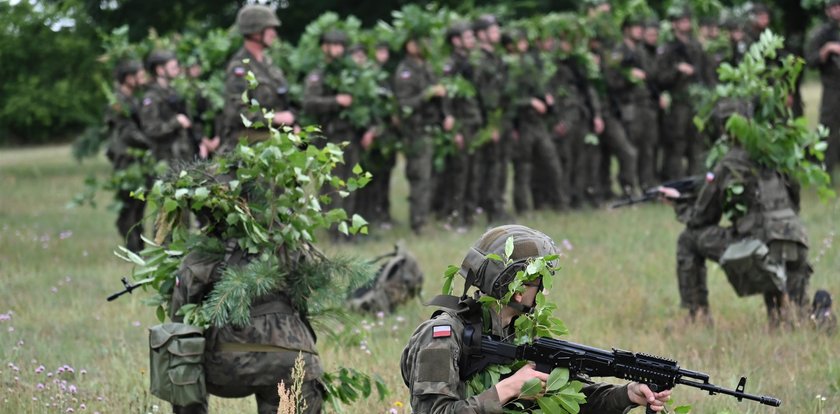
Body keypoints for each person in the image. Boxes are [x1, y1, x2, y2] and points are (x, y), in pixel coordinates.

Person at [401, 225, 671, 413]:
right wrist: (507, 389)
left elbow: (572, 400)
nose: (545, 289)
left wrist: (627, 394)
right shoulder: (442, 335)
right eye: (539, 281)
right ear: (516, 289)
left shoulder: (518, 332)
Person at [168, 176, 323, 414]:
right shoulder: (289, 243)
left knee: (177, 354)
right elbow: (314, 283)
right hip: (288, 357)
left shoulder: (204, 250)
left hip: (226, 363)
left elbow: (179, 318)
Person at [661, 142, 813, 329]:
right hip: (795, 242)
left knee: (688, 240)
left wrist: (680, 202)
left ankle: (698, 316)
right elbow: (795, 200)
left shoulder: (730, 162)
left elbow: (701, 217)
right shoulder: (781, 153)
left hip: (760, 250)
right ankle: (813, 315)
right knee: (796, 321)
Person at [393, 27, 447, 234]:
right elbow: (405, 104)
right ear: (410, 45)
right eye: (421, 42)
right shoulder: (405, 71)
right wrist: (428, 93)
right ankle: (419, 223)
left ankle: (425, 217)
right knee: (420, 177)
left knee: (431, 177)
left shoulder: (427, 67)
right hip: (415, 132)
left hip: (431, 129)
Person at [220, 4, 294, 150]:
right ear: (255, 32)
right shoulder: (240, 68)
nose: (274, 34)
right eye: (270, 29)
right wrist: (274, 118)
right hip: (249, 146)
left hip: (275, 141)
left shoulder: (269, 65)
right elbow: (237, 112)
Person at [104, 60, 151, 253]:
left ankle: (138, 244)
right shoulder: (118, 101)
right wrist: (151, 140)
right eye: (137, 75)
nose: (141, 79)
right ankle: (132, 247)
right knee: (129, 204)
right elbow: (127, 132)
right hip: (126, 159)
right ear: (128, 78)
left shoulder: (133, 99)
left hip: (139, 159)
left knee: (140, 203)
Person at [139, 50, 196, 163]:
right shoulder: (152, 97)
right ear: (160, 70)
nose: (177, 70)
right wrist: (176, 121)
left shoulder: (172, 92)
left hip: (182, 155)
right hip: (167, 159)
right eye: (173, 67)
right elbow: (151, 130)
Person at [805, 0, 840, 173]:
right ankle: (826, 171)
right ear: (827, 11)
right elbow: (810, 61)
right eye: (833, 8)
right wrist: (826, 50)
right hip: (832, 88)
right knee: (828, 129)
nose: (837, 11)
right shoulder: (822, 34)